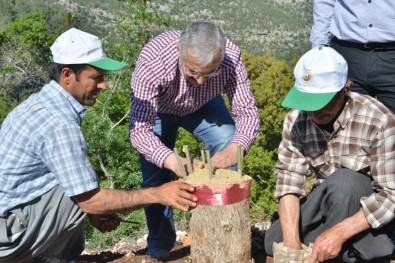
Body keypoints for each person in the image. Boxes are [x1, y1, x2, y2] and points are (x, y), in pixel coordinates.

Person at [0, 28, 197, 263]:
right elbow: (90, 199)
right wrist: (159, 193)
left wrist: (93, 210)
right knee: (87, 196)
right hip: (8, 235)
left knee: (79, 185)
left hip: (11, 220)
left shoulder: (40, 104)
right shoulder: (59, 125)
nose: (103, 85)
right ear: (67, 75)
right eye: (97, 77)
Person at [129, 20, 260, 260]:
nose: (200, 81)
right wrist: (171, 160)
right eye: (193, 72)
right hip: (159, 110)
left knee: (228, 138)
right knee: (155, 175)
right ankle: (160, 244)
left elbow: (247, 112)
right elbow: (139, 130)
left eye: (209, 73)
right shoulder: (154, 60)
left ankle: (222, 232)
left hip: (203, 105)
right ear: (180, 53)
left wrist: (235, 149)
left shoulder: (230, 57)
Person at [262, 46, 395, 262]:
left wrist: (338, 233)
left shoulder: (379, 121)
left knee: (345, 182)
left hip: (361, 206)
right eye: (309, 104)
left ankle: (341, 246)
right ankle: (353, 249)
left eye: (323, 104)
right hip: (326, 202)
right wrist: (293, 246)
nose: (315, 113)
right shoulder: (296, 121)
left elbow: (390, 196)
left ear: (346, 89)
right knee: (274, 240)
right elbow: (288, 181)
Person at [310, 0, 395, 113]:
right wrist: (319, 49)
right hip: (346, 55)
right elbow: (325, 2)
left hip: (391, 56)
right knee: (344, 120)